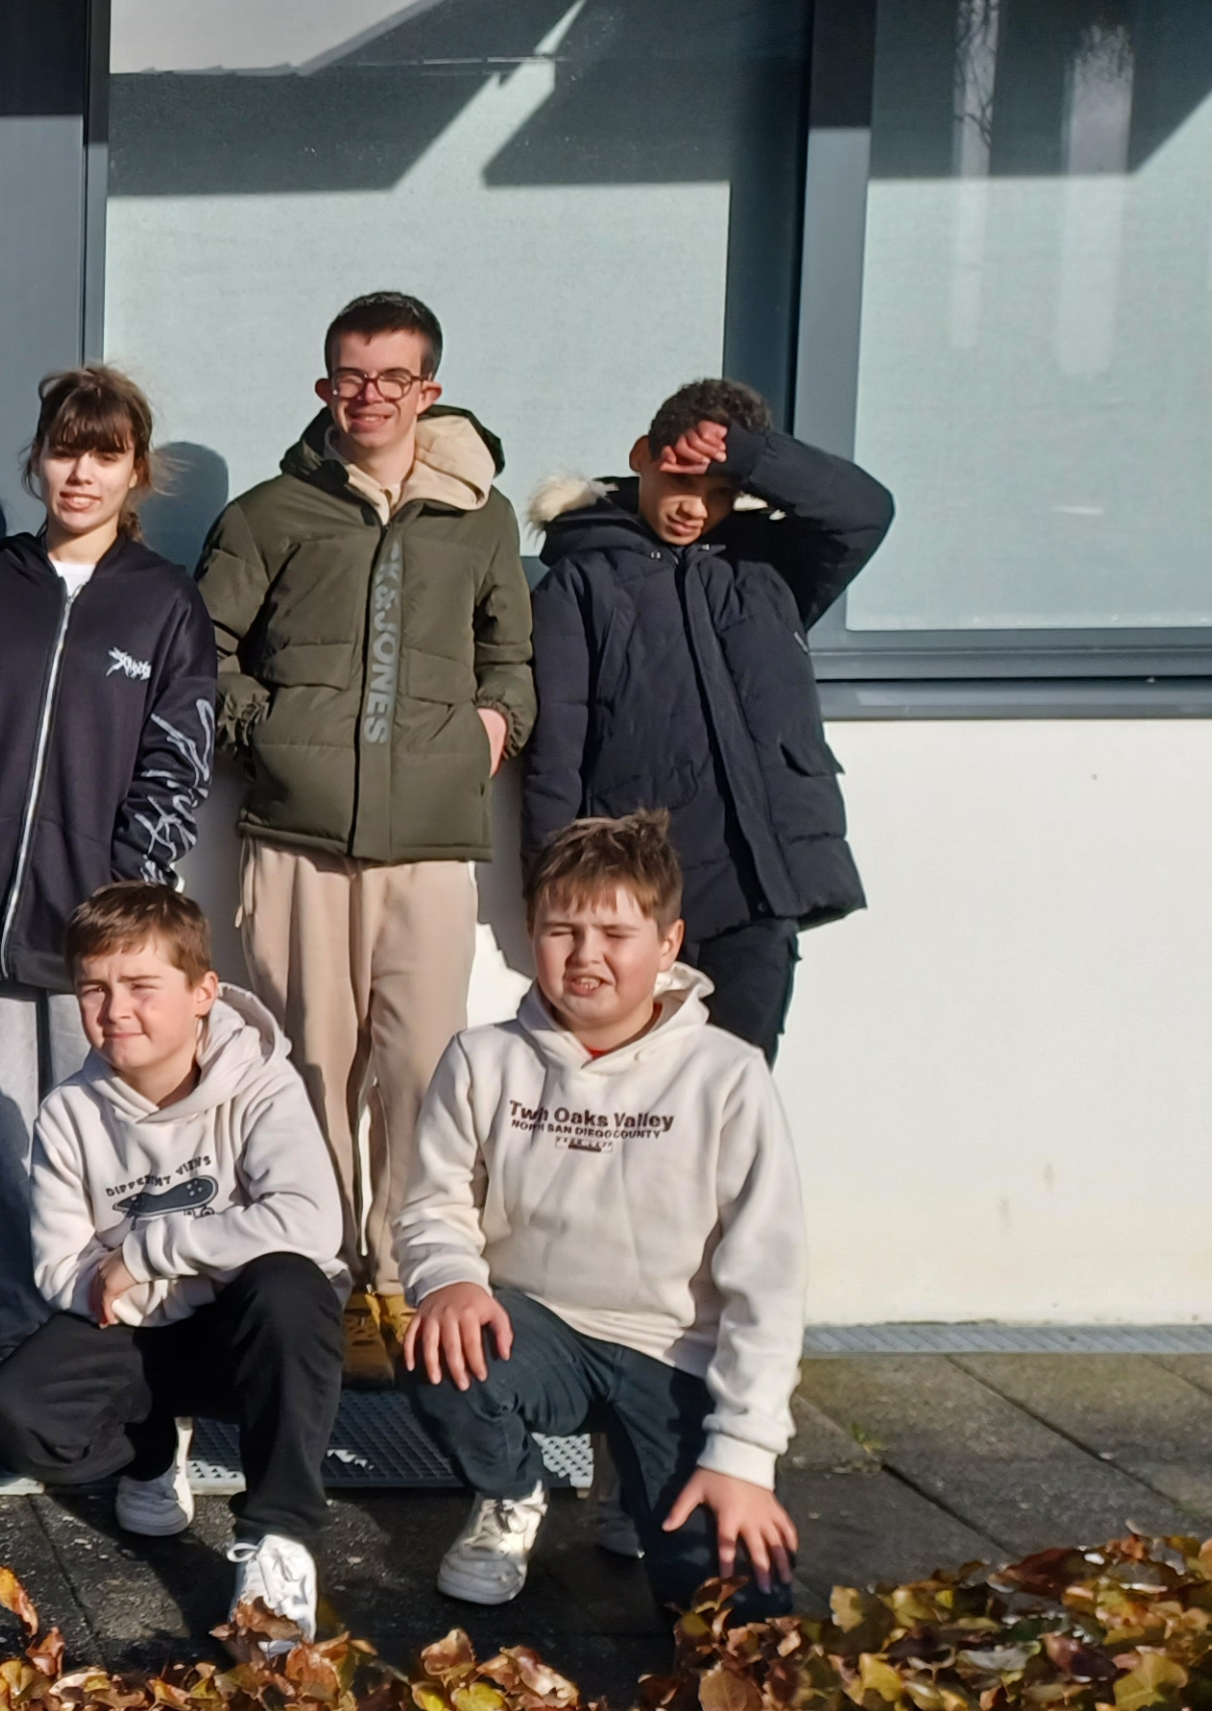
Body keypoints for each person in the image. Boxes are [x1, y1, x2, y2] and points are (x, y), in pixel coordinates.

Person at [198, 291, 535, 1382]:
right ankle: (326, 1281)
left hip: (432, 840)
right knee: (309, 1067)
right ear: (324, 386)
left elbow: (510, 653)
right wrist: (268, 735)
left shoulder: (481, 516)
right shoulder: (268, 514)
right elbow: (205, 650)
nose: (370, 396)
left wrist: (493, 725)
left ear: (428, 389)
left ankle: (406, 1277)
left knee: (422, 1068)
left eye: (393, 377)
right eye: (351, 376)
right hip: (298, 837)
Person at [397, 812, 804, 1619]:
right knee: (440, 1347)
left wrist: (744, 1456)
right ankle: (511, 1494)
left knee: (740, 1621)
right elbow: (434, 1203)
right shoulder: (482, 1058)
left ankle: (636, 1477)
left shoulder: (728, 1076)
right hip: (536, 1332)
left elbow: (770, 1279)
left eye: (616, 934)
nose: (586, 956)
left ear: (669, 943)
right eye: (562, 931)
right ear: (531, 937)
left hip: (676, 1355)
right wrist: (447, 1279)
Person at [0, 365, 224, 1353]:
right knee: (3, 1141)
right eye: (64, 451)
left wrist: (125, 894)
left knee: (102, 1144)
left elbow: (179, 759)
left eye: (104, 455)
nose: (80, 474)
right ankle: (17, 1339)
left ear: (136, 471)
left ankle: (96, 1337)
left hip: (100, 939)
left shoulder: (163, 603)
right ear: (37, 461)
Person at [0, 882, 345, 1641]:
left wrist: (144, 1255)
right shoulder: (69, 1113)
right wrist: (179, 1279)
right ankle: (152, 1451)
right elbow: (61, 1270)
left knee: (290, 1287)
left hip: (245, 1332)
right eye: (94, 989)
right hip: (142, 1329)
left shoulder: (263, 1080)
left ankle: (279, 1541)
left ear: (204, 992)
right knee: (13, 1421)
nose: (116, 1010)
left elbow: (310, 1222)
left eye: (142, 986)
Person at [524, 379, 890, 1060]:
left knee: (734, 1088)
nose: (697, 507)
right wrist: (555, 896)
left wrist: (750, 455)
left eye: (722, 491)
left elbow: (864, 511)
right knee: (630, 1096)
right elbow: (557, 751)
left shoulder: (771, 565)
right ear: (642, 455)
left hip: (756, 893)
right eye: (682, 480)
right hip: (635, 897)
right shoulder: (581, 581)